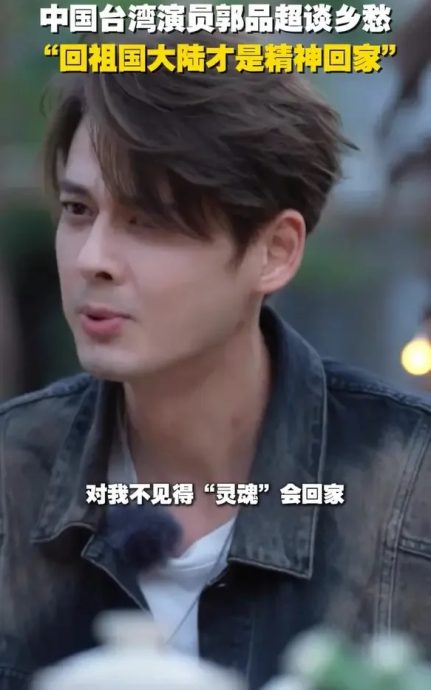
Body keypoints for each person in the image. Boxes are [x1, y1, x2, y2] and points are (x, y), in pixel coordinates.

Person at [2, 31, 431, 690]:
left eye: (148, 221)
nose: (92, 259)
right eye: (78, 210)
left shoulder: (408, 486)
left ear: (274, 251)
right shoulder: (12, 478)